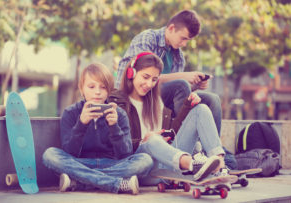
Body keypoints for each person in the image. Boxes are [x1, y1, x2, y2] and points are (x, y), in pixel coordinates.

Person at [115, 10, 236, 169]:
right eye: (183, 38)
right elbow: (145, 74)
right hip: (135, 107)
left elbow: (172, 91)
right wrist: (184, 77)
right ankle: (194, 162)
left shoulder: (178, 56)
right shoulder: (147, 39)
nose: (184, 44)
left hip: (163, 112)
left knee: (209, 101)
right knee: (181, 85)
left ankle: (215, 159)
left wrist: (195, 87)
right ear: (171, 28)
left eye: (188, 40)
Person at [109, 52, 229, 185]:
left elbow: (172, 133)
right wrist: (144, 140)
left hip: (169, 165)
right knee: (152, 140)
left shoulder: (155, 102)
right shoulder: (118, 103)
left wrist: (187, 106)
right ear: (131, 73)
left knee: (201, 110)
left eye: (154, 79)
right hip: (144, 169)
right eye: (146, 77)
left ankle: (220, 168)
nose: (149, 84)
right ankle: (193, 165)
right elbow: (116, 147)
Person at [42, 63, 154, 195]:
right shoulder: (70, 113)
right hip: (81, 163)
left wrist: (114, 127)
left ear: (109, 90)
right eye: (91, 86)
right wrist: (82, 124)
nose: (97, 92)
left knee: (145, 161)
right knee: (50, 155)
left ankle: (80, 182)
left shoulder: (119, 113)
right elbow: (69, 152)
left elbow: (125, 154)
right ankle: (114, 184)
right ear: (81, 88)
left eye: (103, 87)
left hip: (112, 164)